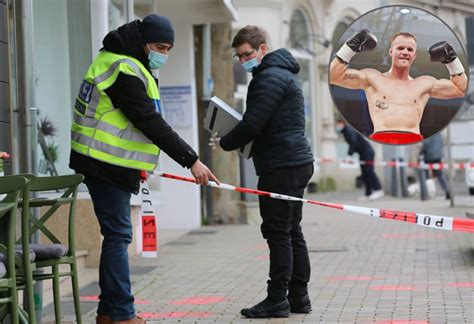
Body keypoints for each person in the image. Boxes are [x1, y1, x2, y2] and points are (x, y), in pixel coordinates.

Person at [69, 14, 218, 324]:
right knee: (118, 236)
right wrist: (192, 160)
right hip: (103, 163)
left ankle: (109, 313)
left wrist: (137, 165)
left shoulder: (128, 63)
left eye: (168, 48)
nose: (163, 53)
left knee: (117, 236)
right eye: (159, 46)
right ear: (142, 42)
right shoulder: (123, 68)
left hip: (109, 163)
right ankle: (122, 314)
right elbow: (149, 122)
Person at [210, 25, 314, 318]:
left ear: (263, 50)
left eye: (247, 55)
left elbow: (252, 123)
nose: (243, 61)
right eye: (238, 57)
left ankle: (277, 299)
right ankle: (299, 298)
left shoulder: (267, 78)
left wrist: (225, 141)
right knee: (292, 230)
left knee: (278, 232)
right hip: (295, 162)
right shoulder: (282, 74)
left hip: (282, 165)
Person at [329, 30, 467, 144]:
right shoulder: (373, 78)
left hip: (413, 139)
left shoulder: (424, 83)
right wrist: (350, 47)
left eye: (410, 49)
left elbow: (461, 89)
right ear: (391, 52)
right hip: (381, 138)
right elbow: (334, 76)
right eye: (400, 48)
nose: (405, 52)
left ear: (414, 55)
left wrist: (452, 60)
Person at [336, 117, 384, 200]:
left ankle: (378, 189)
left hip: (367, 152)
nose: (337, 126)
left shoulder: (348, 130)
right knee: (364, 173)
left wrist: (349, 156)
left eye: (338, 124)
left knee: (369, 171)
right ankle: (368, 194)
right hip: (362, 153)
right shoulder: (345, 131)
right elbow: (353, 143)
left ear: (342, 123)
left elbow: (353, 142)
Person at [419, 133, 451, 199]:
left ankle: (427, 192)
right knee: (440, 175)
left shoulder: (428, 133)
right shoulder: (439, 134)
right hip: (438, 157)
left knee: (425, 175)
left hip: (428, 157)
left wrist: (420, 152)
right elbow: (442, 144)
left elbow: (425, 145)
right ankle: (447, 190)